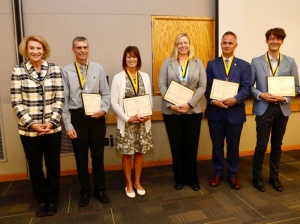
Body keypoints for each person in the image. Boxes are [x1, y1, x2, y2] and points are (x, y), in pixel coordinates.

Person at [10, 35, 64, 217]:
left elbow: (60, 98)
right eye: (32, 48)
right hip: (28, 130)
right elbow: (16, 102)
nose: (35, 51)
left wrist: (52, 122)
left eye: (39, 48)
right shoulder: (18, 71)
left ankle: (52, 200)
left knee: (53, 166)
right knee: (35, 167)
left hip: (52, 128)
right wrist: (32, 124)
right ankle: (41, 201)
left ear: (44, 50)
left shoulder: (55, 69)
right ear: (26, 50)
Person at [62, 36, 110, 206]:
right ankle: (85, 191)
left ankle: (100, 189)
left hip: (96, 117)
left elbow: (106, 93)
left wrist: (103, 110)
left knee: (98, 156)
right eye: (79, 47)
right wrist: (68, 125)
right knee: (81, 157)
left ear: (89, 49)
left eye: (85, 47)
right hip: (77, 117)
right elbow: (64, 100)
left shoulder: (98, 68)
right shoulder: (66, 71)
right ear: (73, 50)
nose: (82, 50)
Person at [251, 28, 299, 192]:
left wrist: (285, 98)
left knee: (277, 145)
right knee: (261, 146)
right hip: (264, 109)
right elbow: (249, 87)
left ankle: (274, 177)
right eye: (272, 39)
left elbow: (297, 87)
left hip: (282, 109)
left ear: (282, 41)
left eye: (278, 39)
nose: (275, 42)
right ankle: (256, 177)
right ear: (267, 40)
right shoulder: (256, 61)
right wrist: (261, 95)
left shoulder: (290, 61)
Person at [159, 33, 207, 191]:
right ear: (176, 45)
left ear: (190, 44)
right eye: (180, 43)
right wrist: (170, 105)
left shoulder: (197, 62)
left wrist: (190, 104)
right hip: (171, 113)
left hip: (192, 112)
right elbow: (162, 85)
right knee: (176, 147)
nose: (183, 45)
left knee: (191, 147)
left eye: (185, 42)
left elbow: (202, 85)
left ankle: (193, 179)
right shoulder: (168, 62)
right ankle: (179, 179)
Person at [205, 31, 251, 190]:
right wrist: (213, 101)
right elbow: (208, 87)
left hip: (235, 113)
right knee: (217, 145)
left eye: (230, 43)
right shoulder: (212, 64)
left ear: (235, 45)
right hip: (215, 113)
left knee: (233, 146)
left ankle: (232, 175)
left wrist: (235, 99)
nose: (227, 45)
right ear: (220, 45)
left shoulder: (244, 65)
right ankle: (217, 173)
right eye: (224, 42)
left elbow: (247, 88)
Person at [111, 46, 153, 198]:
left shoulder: (145, 76)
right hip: (127, 123)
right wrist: (127, 118)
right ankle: (128, 183)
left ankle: (137, 181)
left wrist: (147, 114)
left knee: (140, 152)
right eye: (128, 56)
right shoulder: (118, 78)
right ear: (125, 59)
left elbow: (148, 99)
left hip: (142, 122)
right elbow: (114, 102)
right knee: (127, 154)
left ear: (138, 59)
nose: (131, 59)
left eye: (134, 56)